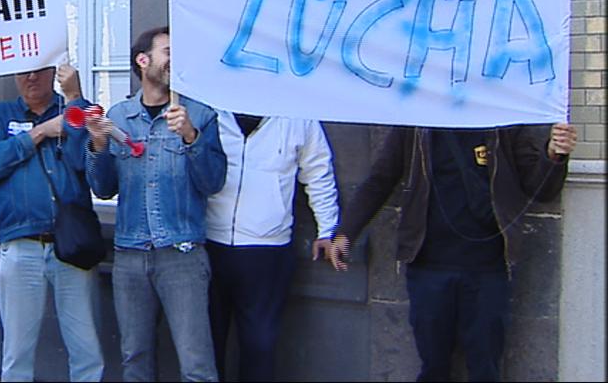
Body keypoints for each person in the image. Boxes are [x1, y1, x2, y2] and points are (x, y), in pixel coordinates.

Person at [329, 122, 578, 381]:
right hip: (428, 266)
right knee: (433, 366)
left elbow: (541, 189)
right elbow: (380, 180)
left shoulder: (505, 120)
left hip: (488, 267)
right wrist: (346, 233)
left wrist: (554, 155)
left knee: (486, 367)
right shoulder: (415, 123)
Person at [83, 26, 227, 382]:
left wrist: (191, 136)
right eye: (168, 52)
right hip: (130, 255)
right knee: (135, 358)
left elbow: (213, 182)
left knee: (196, 363)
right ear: (143, 60)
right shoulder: (119, 117)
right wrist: (98, 146)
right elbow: (102, 188)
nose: (174, 61)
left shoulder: (199, 114)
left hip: (182, 254)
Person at [0, 63, 105, 382]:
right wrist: (40, 132)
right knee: (17, 351)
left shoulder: (74, 108)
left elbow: (88, 166)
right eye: (23, 71)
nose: (31, 77)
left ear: (54, 72)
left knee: (86, 348)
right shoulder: (2, 114)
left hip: (71, 244)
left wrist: (75, 99)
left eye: (39, 70)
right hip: (21, 243)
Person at [207, 111, 340, 381]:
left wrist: (327, 228)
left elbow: (318, 171)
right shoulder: (211, 109)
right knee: (206, 346)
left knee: (260, 345)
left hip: (267, 249)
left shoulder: (297, 114)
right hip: (209, 241)